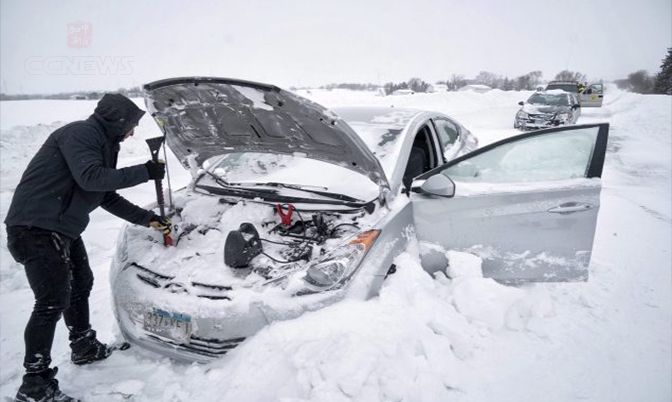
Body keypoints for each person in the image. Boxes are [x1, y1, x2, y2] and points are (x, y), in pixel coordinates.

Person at [5, 93, 173, 402]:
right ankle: (35, 384)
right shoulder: (80, 133)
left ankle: (83, 346)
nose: (132, 132)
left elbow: (103, 194)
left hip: (61, 227)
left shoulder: (104, 144)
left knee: (81, 285)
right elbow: (93, 178)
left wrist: (147, 219)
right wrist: (144, 172)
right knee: (51, 301)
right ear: (117, 121)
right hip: (35, 227)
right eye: (131, 125)